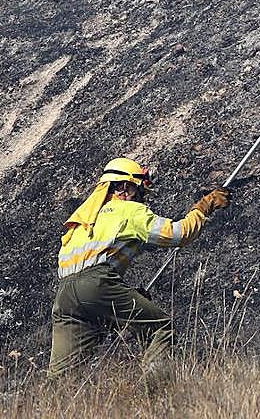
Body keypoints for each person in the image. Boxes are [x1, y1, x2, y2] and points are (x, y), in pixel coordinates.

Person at [48, 157, 230, 379]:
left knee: (63, 374)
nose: (141, 197)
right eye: (139, 190)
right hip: (97, 285)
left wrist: (124, 299)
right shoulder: (128, 210)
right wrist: (203, 208)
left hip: (65, 297)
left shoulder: (83, 219)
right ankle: (157, 396)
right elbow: (177, 234)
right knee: (160, 328)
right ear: (125, 188)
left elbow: (87, 271)